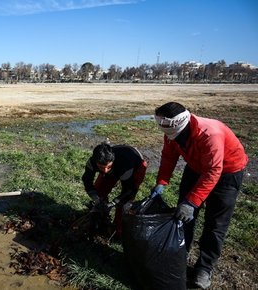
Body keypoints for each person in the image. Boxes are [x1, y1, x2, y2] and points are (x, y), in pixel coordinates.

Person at [150, 102, 248, 289]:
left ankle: (204, 268)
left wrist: (193, 201)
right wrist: (162, 181)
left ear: (181, 125)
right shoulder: (171, 132)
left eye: (173, 136)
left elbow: (213, 171)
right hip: (196, 167)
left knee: (216, 223)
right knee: (183, 216)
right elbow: (169, 156)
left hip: (227, 171)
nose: (170, 139)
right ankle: (181, 253)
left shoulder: (209, 135)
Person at [82, 142, 147, 237]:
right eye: (101, 167)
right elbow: (87, 180)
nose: (105, 171)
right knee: (99, 191)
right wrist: (96, 198)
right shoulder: (92, 162)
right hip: (117, 166)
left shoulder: (125, 164)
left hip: (135, 164)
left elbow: (129, 190)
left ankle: (118, 231)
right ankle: (99, 219)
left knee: (124, 204)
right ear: (95, 162)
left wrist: (113, 203)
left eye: (108, 167)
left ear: (112, 161)